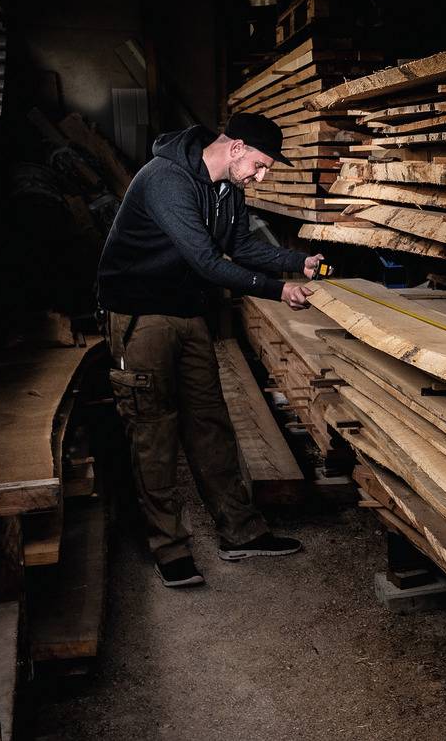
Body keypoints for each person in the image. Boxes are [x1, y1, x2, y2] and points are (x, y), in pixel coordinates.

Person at [97, 113, 319, 588]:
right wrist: (278, 290)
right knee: (153, 433)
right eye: (259, 166)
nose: (260, 178)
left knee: (210, 423)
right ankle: (170, 549)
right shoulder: (165, 179)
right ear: (236, 148)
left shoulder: (227, 189)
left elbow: (240, 246)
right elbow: (206, 260)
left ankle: (240, 533)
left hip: (187, 311)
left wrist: (301, 262)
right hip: (140, 316)